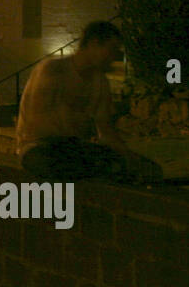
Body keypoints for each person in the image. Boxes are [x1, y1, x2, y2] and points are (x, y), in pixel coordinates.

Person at [15, 20, 162, 183]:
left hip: (73, 147)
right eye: (111, 50)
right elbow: (37, 124)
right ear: (93, 44)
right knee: (67, 166)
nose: (114, 57)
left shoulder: (100, 81)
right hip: (39, 147)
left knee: (128, 166)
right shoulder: (52, 70)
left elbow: (105, 128)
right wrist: (77, 129)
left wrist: (129, 156)